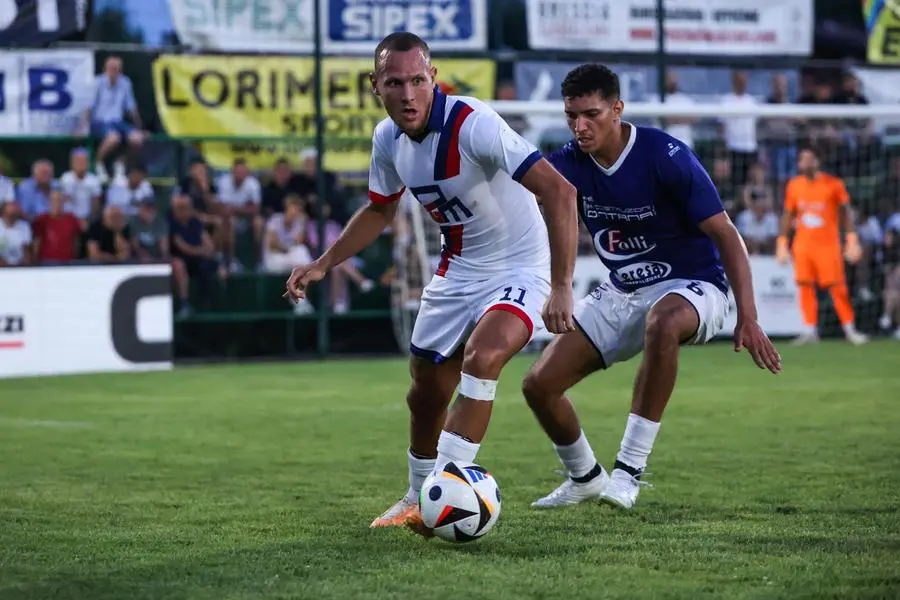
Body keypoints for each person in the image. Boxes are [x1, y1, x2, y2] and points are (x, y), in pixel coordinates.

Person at [284, 32, 579, 532]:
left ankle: (440, 495)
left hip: (519, 265)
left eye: (418, 80)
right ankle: (415, 493)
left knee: (483, 358)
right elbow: (379, 211)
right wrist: (323, 262)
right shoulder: (386, 139)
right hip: (458, 268)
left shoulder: (474, 124)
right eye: (394, 82)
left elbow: (561, 192)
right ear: (375, 85)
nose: (407, 93)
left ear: (433, 78)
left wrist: (562, 284)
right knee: (424, 391)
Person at [521, 64, 781, 512]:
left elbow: (727, 236)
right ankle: (584, 476)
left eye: (591, 114)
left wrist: (749, 316)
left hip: (695, 285)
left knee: (663, 320)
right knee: (538, 385)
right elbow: (522, 188)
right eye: (571, 116)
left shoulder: (666, 155)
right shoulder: (567, 164)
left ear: (617, 109)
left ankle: (628, 472)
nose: (580, 126)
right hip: (623, 289)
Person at [777, 147, 868, 345]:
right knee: (805, 287)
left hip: (828, 246)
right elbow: (788, 214)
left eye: (809, 158)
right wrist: (782, 242)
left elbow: (846, 212)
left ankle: (850, 330)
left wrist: (851, 238)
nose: (805, 163)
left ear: (817, 161)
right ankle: (810, 330)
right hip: (803, 245)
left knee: (837, 288)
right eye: (802, 159)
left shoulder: (833, 184)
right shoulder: (794, 185)